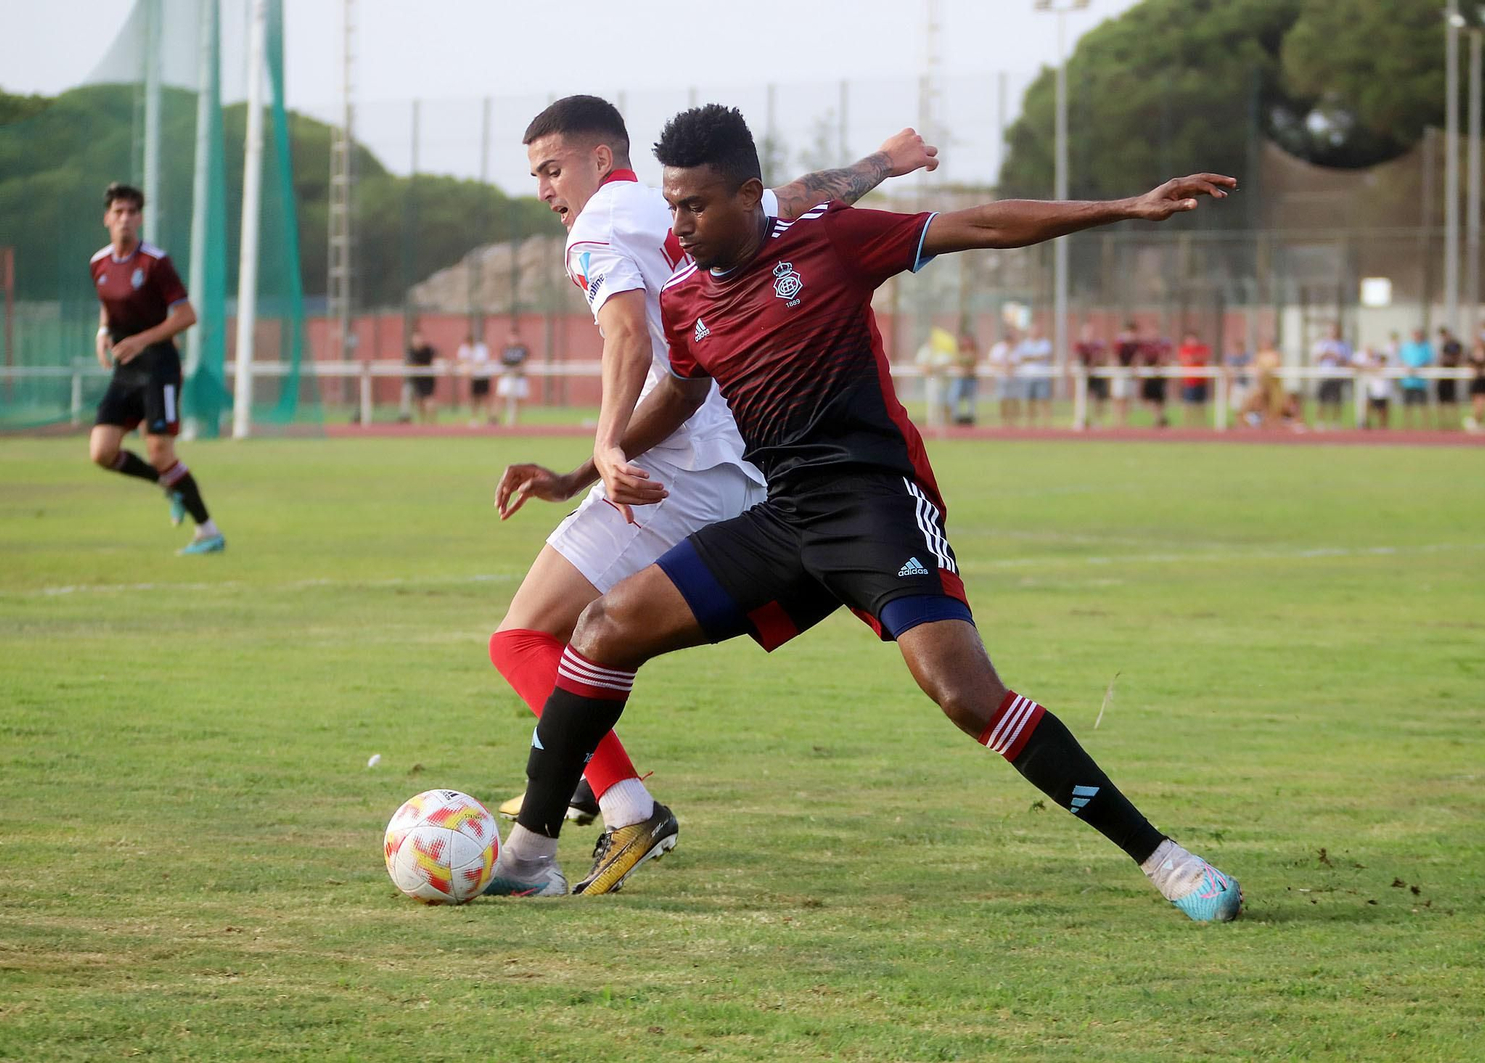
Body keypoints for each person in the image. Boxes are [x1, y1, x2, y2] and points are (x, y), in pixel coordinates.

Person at [488, 103, 1243, 924]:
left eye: (696, 206)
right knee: (601, 629)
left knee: (963, 693)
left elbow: (979, 224)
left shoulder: (828, 242)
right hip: (783, 520)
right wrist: (579, 471)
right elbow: (680, 389)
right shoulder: (687, 298)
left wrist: (1126, 207)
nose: (681, 224)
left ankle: (1167, 861)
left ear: (748, 197)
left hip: (876, 505)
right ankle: (531, 856)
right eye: (672, 205)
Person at [487, 95, 938, 896]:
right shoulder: (681, 204)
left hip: (677, 466)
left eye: (552, 168)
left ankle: (623, 807)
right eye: (535, 175)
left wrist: (602, 447)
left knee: (523, 638)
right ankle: (588, 778)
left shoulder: (596, 229)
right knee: (592, 635)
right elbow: (786, 199)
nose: (544, 189)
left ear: (601, 158)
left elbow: (627, 334)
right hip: (744, 454)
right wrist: (880, 162)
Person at [87, 182, 224, 555]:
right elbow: (108, 302)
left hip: (159, 366)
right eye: (118, 211)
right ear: (107, 219)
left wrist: (142, 340)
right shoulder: (98, 263)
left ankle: (208, 532)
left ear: (140, 218)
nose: (125, 218)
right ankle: (166, 485)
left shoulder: (155, 263)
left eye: (132, 212)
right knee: (101, 452)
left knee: (161, 451)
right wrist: (103, 331)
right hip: (126, 367)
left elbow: (187, 316)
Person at [1310, 323, 1351, 430]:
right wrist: (1325, 354)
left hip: (1338, 375)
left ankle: (1335, 422)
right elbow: (1315, 358)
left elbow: (1347, 360)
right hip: (1324, 375)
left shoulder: (1343, 345)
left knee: (1337, 400)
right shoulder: (1322, 344)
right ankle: (1320, 422)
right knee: (1321, 400)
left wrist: (1337, 357)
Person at [1015, 325, 1054, 428]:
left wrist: (1030, 357)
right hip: (1028, 376)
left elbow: (1044, 356)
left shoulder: (1045, 343)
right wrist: (1036, 357)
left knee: (1044, 400)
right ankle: (1030, 424)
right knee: (1028, 401)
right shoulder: (1024, 344)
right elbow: (1021, 357)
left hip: (1042, 376)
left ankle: (1046, 424)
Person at [1397, 327, 1433, 430]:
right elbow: (1401, 360)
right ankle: (1408, 426)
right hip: (1408, 381)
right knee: (1407, 405)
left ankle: (1426, 426)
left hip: (1421, 382)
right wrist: (1408, 368)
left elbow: (1429, 360)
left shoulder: (1426, 347)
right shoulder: (1407, 347)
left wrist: (1418, 368)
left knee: (1423, 405)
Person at [987, 326, 1022, 428]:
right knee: (1003, 400)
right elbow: (993, 362)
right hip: (1002, 378)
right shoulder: (998, 348)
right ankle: (1004, 422)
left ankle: (1014, 422)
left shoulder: (1017, 348)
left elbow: (1018, 362)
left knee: (1015, 400)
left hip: (1014, 378)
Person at [1073, 324, 1108, 427]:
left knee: (1099, 398)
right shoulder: (1080, 345)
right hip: (1083, 376)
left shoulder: (1098, 344)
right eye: (1087, 332)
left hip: (1096, 375)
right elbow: (1076, 357)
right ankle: (1081, 419)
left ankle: (1097, 421)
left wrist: (1093, 364)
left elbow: (1101, 357)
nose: (1089, 334)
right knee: (1081, 398)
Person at [1175, 330, 1211, 427]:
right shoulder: (1184, 349)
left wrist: (1193, 358)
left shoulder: (1202, 348)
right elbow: (1185, 359)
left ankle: (1201, 424)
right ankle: (1186, 424)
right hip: (1189, 382)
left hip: (1201, 381)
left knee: (1201, 404)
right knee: (1188, 404)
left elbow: (1203, 358)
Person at [496, 327, 531, 427]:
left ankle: (515, 421)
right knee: (502, 397)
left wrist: (518, 368)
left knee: (519, 399)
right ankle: (497, 419)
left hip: (519, 378)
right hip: (507, 377)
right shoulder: (505, 349)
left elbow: (525, 361)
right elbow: (501, 361)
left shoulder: (523, 349)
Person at [404, 327, 438, 424]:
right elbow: (408, 364)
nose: (418, 340)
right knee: (419, 402)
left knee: (429, 401)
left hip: (428, 379)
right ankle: (422, 423)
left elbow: (439, 355)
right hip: (417, 380)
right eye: (416, 338)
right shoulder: (410, 351)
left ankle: (432, 423)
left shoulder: (428, 349)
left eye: (419, 338)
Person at [458, 333, 493, 427]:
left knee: (485, 398)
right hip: (474, 378)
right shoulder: (464, 348)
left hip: (483, 376)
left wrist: (469, 368)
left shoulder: (481, 348)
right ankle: (474, 419)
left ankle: (489, 419)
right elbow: (462, 361)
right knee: (474, 399)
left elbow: (480, 363)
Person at [948, 329, 980, 425]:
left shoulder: (974, 351)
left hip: (971, 379)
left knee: (971, 399)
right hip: (960, 378)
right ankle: (956, 417)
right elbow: (955, 362)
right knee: (954, 397)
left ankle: (970, 417)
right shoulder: (958, 351)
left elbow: (975, 362)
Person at [1110, 322, 1139, 427]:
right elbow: (1115, 357)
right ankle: (1117, 420)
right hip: (1120, 373)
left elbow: (1137, 358)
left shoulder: (1135, 344)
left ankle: (1124, 420)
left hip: (1130, 374)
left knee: (1128, 397)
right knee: (1118, 396)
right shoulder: (1120, 343)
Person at [1356, 343, 1391, 430]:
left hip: (1382, 391)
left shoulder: (1382, 364)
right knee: (1368, 406)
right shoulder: (1366, 360)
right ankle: (1365, 423)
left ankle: (1382, 427)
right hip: (1372, 390)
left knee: (1383, 410)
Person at [1464, 336, 1485, 432]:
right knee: (1477, 404)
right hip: (1476, 381)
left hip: (1484, 381)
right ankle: (1473, 421)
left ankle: (1477, 422)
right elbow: (1468, 364)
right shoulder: (1471, 354)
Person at [1139, 332, 1170, 427]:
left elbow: (1165, 357)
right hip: (1149, 377)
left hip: (1159, 377)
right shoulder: (1145, 346)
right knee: (1146, 400)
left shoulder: (1162, 345)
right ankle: (1159, 418)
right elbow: (1140, 357)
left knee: (1159, 400)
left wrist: (1160, 364)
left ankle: (1159, 419)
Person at [1435, 326, 1463, 429]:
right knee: (1441, 400)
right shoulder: (1442, 345)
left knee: (1452, 399)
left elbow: (1457, 357)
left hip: (1451, 375)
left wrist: (1447, 359)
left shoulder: (1454, 344)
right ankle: (1443, 423)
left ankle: (1454, 422)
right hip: (1442, 375)